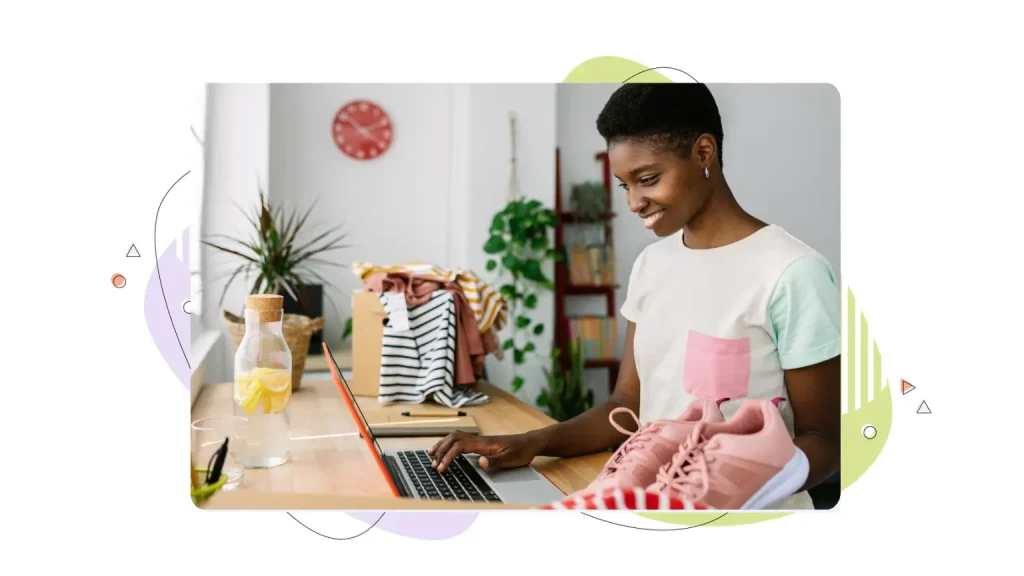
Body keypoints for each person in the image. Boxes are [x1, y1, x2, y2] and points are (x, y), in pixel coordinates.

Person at [429, 83, 841, 510]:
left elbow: (826, 443)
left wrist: (729, 487)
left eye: (647, 180)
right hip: (646, 509)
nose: (633, 202)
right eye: (624, 185)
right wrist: (532, 443)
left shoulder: (792, 272)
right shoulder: (652, 264)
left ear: (704, 153)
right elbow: (626, 404)